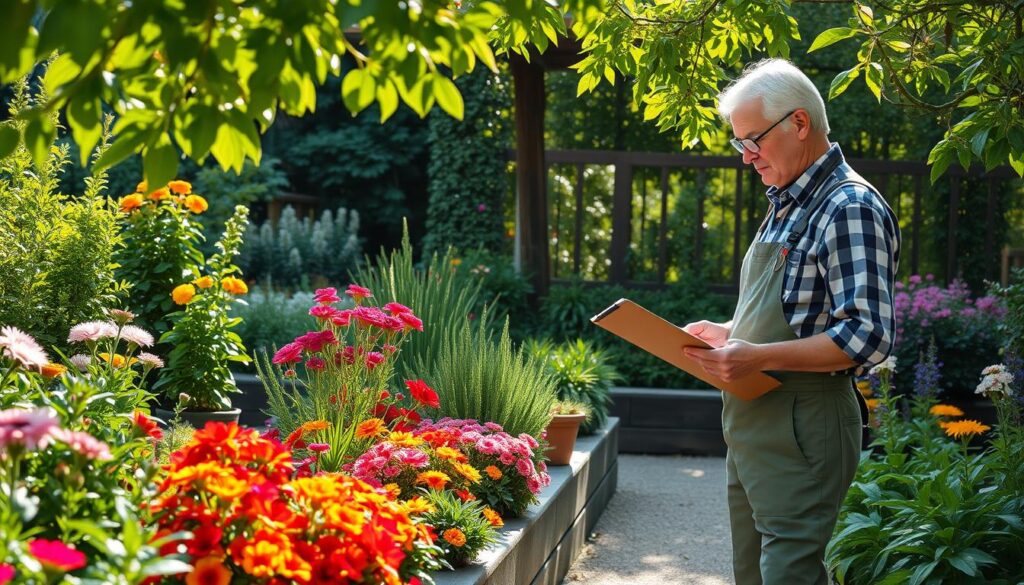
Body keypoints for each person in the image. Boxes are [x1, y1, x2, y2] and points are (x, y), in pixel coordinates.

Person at [681, 59, 901, 585]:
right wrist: (732, 333)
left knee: (788, 575)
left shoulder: (848, 206)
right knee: (751, 574)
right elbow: (801, 315)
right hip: (755, 419)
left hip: (805, 419)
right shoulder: (786, 202)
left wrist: (757, 355)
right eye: (740, 143)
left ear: (799, 123)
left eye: (752, 139)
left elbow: (866, 335)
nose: (747, 156)